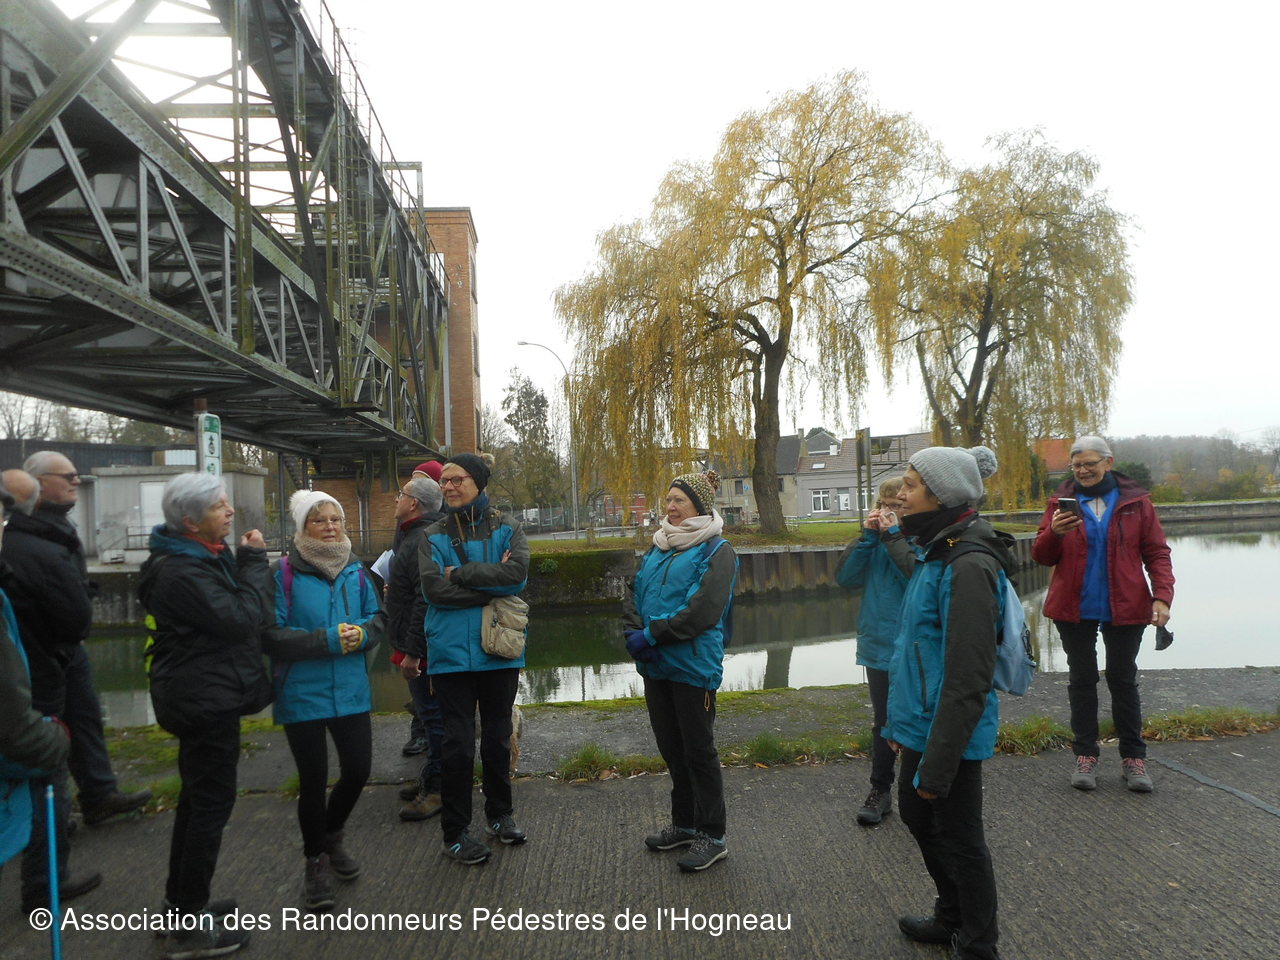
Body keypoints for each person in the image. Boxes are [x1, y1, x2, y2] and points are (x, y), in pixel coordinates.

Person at [138, 472, 274, 959]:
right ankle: (190, 928)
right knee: (209, 806)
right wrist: (254, 562)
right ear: (191, 521)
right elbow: (243, 620)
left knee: (196, 801)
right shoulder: (183, 571)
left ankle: (180, 905)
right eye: (219, 506)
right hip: (204, 700)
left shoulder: (189, 557)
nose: (230, 511)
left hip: (199, 694)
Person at [885, 445, 1006, 960]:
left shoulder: (968, 562)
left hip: (950, 729)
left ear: (940, 495)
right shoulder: (935, 549)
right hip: (922, 722)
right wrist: (899, 725)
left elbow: (967, 675)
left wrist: (938, 762)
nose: (900, 494)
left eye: (911, 485)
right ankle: (951, 915)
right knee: (917, 814)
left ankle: (979, 944)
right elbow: (917, 649)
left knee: (961, 836)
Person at [1032, 436, 1174, 793]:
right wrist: (1054, 533)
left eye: (1090, 464)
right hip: (1073, 607)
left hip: (1126, 604)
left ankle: (1133, 758)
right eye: (1077, 465)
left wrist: (1162, 597)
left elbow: (1157, 552)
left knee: (1123, 680)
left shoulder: (1136, 503)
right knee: (1081, 681)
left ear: (1108, 463)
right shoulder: (1059, 503)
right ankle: (1086, 755)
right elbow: (1042, 556)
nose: (1083, 470)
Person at [262, 490, 381, 912]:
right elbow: (272, 635)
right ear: (303, 527)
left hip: (350, 689)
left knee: (358, 770)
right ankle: (315, 863)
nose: (330, 527)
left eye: (336, 519)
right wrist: (327, 639)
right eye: (319, 520)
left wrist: (363, 634)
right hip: (301, 692)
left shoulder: (357, 569)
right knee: (312, 781)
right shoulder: (282, 574)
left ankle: (331, 836)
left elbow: (377, 618)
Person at [415, 453, 529, 865]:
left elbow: (517, 576)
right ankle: (455, 832)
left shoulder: (507, 527)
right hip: (449, 655)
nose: (447, 487)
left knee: (498, 739)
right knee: (458, 745)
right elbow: (434, 591)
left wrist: (459, 574)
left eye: (456, 479)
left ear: (478, 482)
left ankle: (500, 815)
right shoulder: (431, 535)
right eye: (444, 481)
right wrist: (491, 586)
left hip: (499, 650)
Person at [623, 471, 737, 873]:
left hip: (692, 665)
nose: (670, 507)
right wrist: (632, 630)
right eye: (669, 499)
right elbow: (634, 593)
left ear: (699, 507)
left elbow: (702, 610)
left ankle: (713, 834)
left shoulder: (717, 551)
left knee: (699, 751)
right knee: (672, 748)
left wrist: (651, 635)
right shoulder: (657, 547)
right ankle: (685, 824)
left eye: (679, 501)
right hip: (656, 667)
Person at [1, 477, 72, 874]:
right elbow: (16, 728)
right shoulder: (45, 550)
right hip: (41, 691)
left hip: (39, 679)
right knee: (49, 783)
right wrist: (54, 741)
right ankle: (45, 883)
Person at [835, 476, 913, 825]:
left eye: (896, 506)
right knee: (883, 720)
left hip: (914, 646)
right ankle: (880, 791)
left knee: (919, 718)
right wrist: (868, 538)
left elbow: (914, 577)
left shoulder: (921, 540)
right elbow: (846, 579)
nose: (887, 512)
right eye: (883, 505)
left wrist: (894, 536)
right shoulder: (874, 541)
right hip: (879, 641)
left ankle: (920, 789)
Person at [385, 476, 447, 821]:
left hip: (421, 648)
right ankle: (432, 776)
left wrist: (413, 652)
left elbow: (425, 599)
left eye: (401, 494)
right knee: (430, 716)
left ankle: (437, 789)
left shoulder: (420, 539)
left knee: (433, 718)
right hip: (418, 643)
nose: (396, 499)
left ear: (413, 503)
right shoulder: (417, 535)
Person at [400, 460, 444, 757]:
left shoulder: (425, 535)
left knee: (430, 704)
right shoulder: (408, 529)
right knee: (426, 702)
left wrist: (413, 650)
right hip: (413, 629)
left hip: (422, 638)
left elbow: (424, 595)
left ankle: (437, 774)